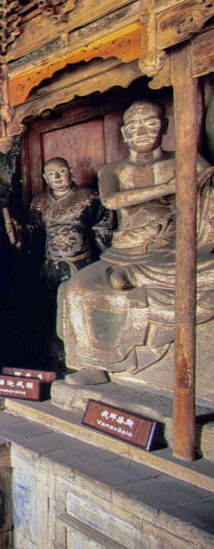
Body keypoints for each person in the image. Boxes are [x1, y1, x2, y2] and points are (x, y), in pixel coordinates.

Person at [59, 99, 214, 385]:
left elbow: (208, 192)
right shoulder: (113, 170)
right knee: (77, 288)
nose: (142, 130)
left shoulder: (186, 159)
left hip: (173, 250)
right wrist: (169, 188)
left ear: (164, 126)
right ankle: (95, 364)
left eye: (151, 123)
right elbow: (112, 200)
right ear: (124, 133)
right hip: (125, 253)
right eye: (134, 125)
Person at [28, 157, 113, 289]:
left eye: (61, 171)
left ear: (71, 172)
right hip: (51, 263)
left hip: (83, 261)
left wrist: (104, 257)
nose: (56, 177)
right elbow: (34, 231)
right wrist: (19, 231)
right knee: (52, 301)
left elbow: (103, 225)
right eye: (51, 173)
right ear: (45, 178)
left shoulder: (88, 196)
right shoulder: (39, 200)